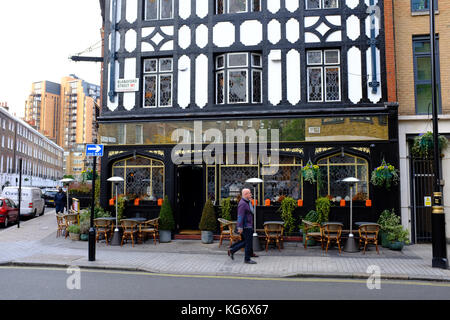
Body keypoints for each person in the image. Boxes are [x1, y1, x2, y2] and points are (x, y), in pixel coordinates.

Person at [227, 188, 258, 264]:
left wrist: (250, 201)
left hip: (248, 225)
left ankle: (233, 249)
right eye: (249, 193)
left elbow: (251, 211)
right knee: (248, 243)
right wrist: (240, 227)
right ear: (245, 194)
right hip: (246, 226)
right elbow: (240, 216)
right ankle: (247, 259)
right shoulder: (242, 204)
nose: (251, 194)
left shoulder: (247, 202)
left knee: (245, 241)